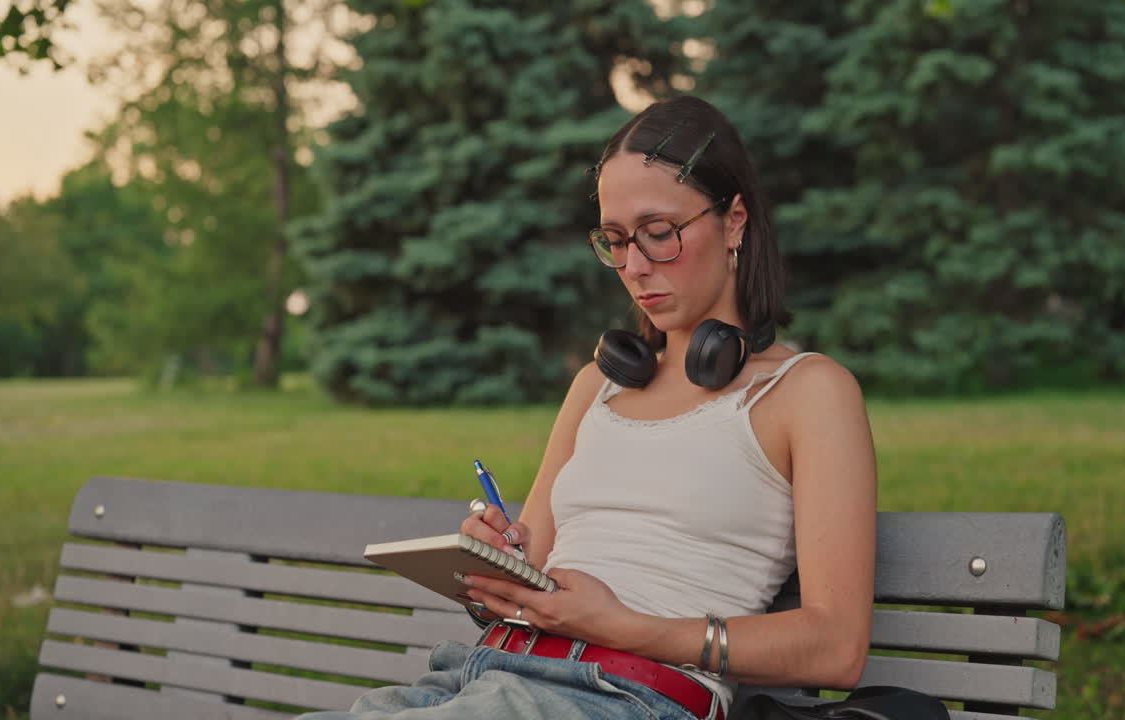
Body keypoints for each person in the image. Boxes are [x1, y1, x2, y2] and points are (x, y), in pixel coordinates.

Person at [297, 95, 877, 720]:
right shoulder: (595, 388)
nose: (633, 267)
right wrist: (496, 568)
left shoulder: (806, 391)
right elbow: (535, 576)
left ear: (734, 221)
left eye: (659, 235)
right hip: (477, 675)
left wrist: (624, 626)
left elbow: (835, 648)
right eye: (615, 240)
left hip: (624, 695)